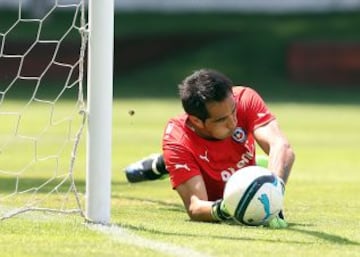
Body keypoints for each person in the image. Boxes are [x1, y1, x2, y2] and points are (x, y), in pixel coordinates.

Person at [124, 69, 295, 227]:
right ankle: (162, 164)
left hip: (237, 166)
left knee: (273, 163)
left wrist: (274, 195)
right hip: (199, 170)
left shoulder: (244, 98)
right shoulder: (177, 140)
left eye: (234, 111)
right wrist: (228, 208)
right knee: (178, 159)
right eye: (221, 120)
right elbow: (196, 206)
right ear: (197, 121)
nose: (233, 122)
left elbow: (281, 147)